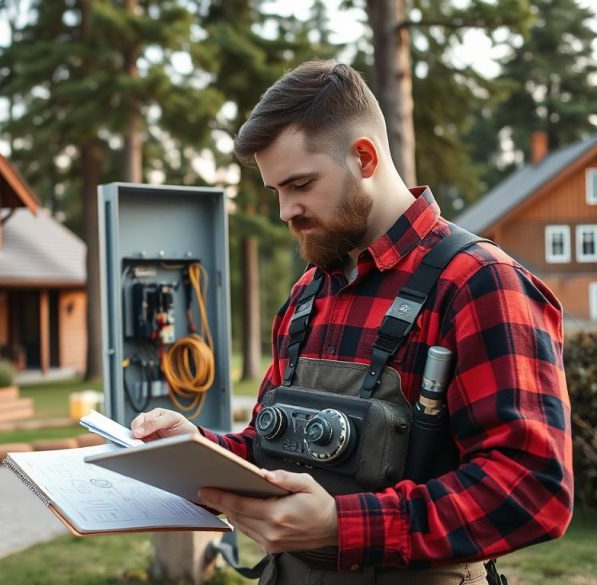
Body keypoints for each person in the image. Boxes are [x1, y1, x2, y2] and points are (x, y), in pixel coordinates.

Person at [131, 60, 572, 584]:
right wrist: (194, 447)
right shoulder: (307, 294)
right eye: (276, 191)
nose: (285, 211)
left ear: (364, 157)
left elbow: (532, 487)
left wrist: (344, 526)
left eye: (300, 184)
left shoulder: (479, 283)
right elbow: (271, 446)